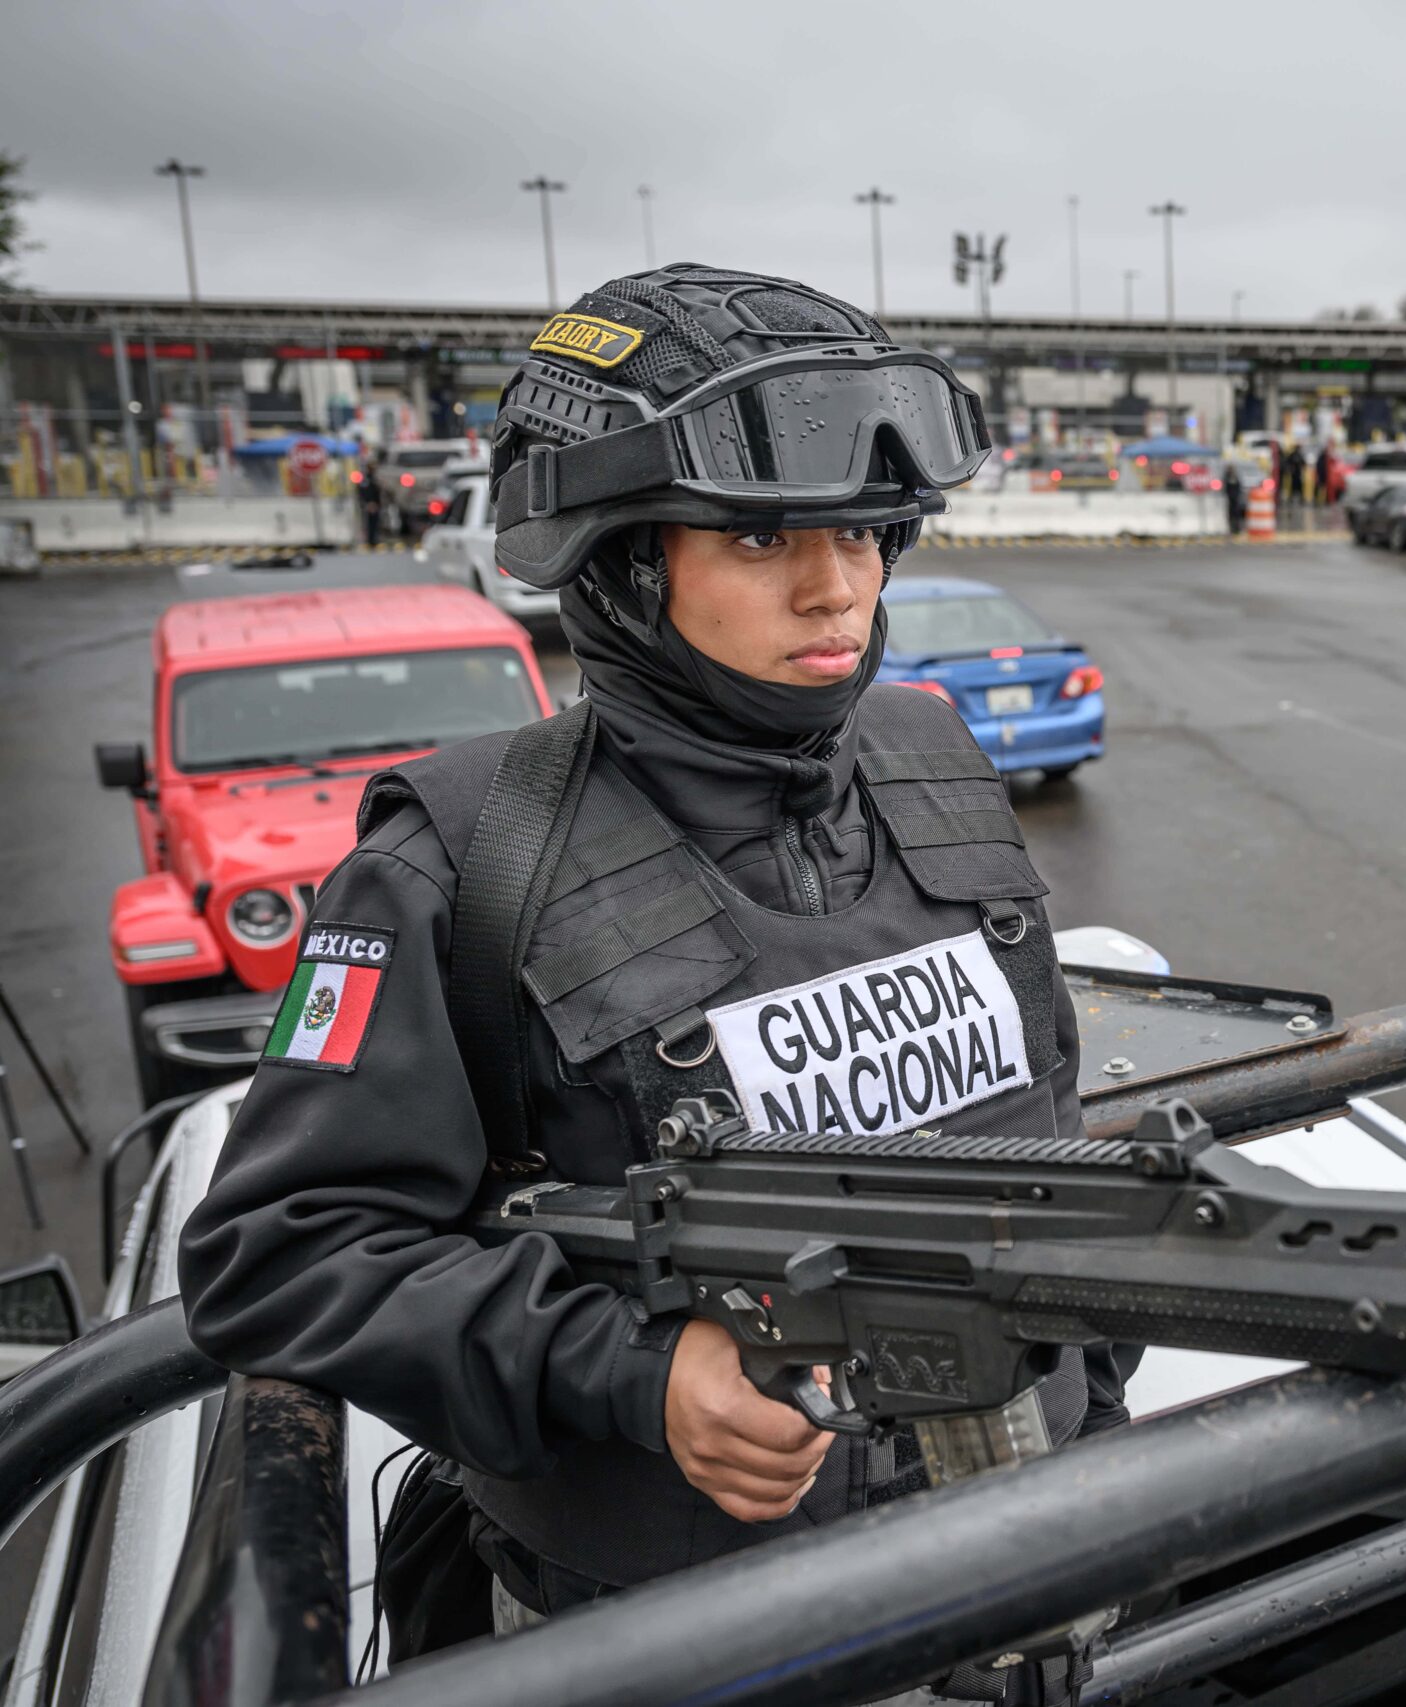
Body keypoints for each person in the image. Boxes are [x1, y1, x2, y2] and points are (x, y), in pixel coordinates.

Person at [179, 265, 1130, 1692]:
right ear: (618, 559)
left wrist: (1096, 1407)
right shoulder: (453, 867)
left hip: (1038, 1578)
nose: (841, 588)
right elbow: (281, 1254)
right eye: (759, 536)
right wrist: (635, 1370)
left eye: (869, 531)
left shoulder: (935, 765)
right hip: (687, 1650)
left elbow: (1044, 1130)